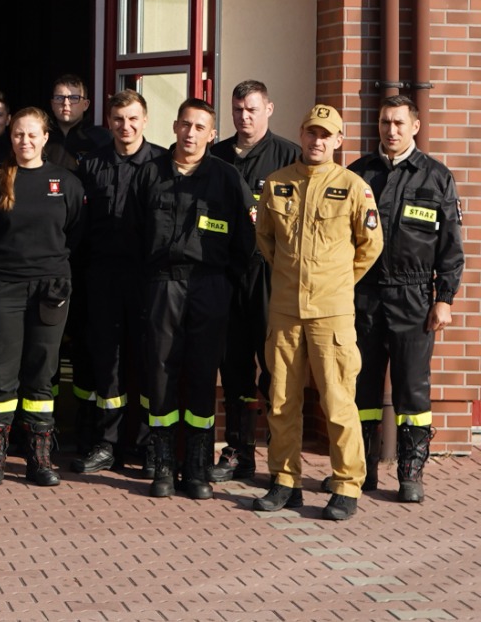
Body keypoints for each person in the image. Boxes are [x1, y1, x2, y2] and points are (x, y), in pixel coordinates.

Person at [252, 104, 382, 521]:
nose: (317, 140)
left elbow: (370, 246)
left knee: (338, 400)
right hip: (285, 310)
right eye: (312, 132)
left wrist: (338, 281)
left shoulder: (353, 186)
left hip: (332, 312)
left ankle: (346, 484)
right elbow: (266, 239)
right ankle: (284, 480)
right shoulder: (278, 184)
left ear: (338, 140)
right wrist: (291, 278)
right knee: (281, 400)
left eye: (326, 134)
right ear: (302, 134)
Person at [130, 99, 254, 500]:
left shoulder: (227, 178)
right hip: (162, 285)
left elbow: (245, 241)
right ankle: (164, 465)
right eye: (185, 124)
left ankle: (197, 468)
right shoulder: (150, 173)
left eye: (200, 127)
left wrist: (224, 285)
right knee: (160, 374)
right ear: (174, 127)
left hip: (209, 286)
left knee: (202, 375)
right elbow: (132, 234)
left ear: (212, 134)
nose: (191, 133)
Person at [347, 95, 464, 503]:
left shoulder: (436, 177)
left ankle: (410, 473)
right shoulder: (358, 174)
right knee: (360, 384)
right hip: (363, 295)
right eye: (385, 122)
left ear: (415, 126)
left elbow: (451, 247)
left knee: (412, 388)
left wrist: (444, 298)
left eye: (399, 123)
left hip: (413, 297)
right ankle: (360, 469)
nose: (391, 130)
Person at [0, 108, 84, 487]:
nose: (25, 141)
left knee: (41, 374)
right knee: (1, 374)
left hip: (50, 291)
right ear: (11, 136)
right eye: (19, 134)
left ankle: (39, 458)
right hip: (3, 289)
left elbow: (75, 233)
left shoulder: (65, 182)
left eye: (33, 134)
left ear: (45, 137)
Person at [207, 79, 301, 482]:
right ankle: (238, 452)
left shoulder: (289, 157)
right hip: (228, 276)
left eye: (251, 109)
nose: (243, 117)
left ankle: (282, 457)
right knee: (233, 368)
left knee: (277, 369)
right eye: (237, 110)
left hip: (270, 277)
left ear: (269, 109)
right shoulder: (216, 156)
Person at [71, 90, 163, 477]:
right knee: (107, 362)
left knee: (147, 362)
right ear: (109, 122)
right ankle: (106, 443)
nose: (126, 126)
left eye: (133, 118)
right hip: (102, 278)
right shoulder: (91, 164)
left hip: (147, 280)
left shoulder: (161, 163)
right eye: (119, 119)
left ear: (145, 120)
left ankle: (146, 445)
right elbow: (77, 226)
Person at [49, 74, 111, 164]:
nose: (66, 103)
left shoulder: (102, 137)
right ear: (52, 104)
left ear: (85, 105)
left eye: (74, 98)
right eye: (59, 98)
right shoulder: (39, 136)